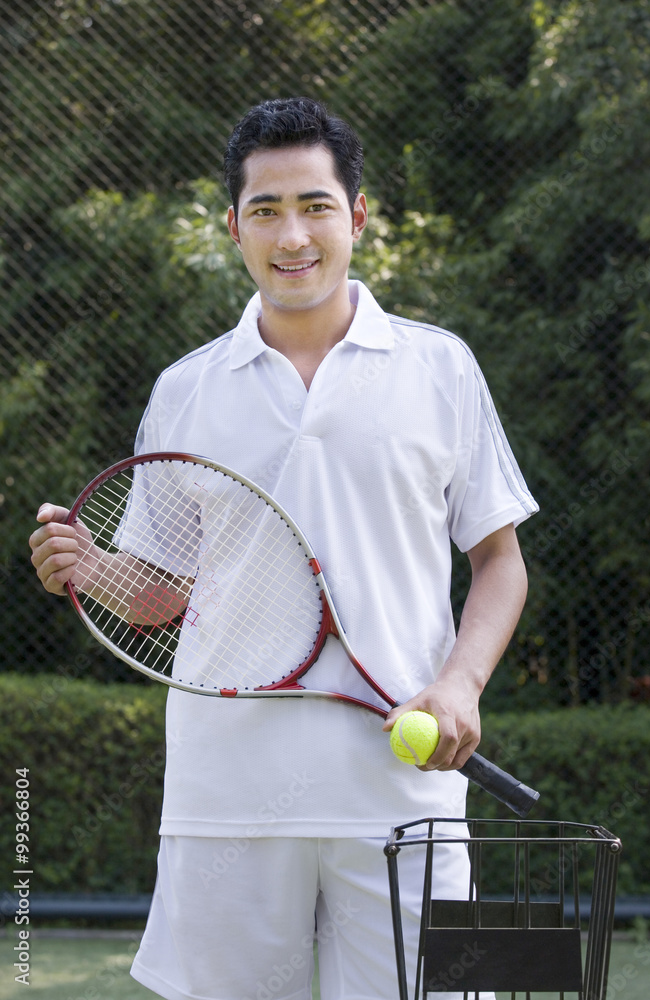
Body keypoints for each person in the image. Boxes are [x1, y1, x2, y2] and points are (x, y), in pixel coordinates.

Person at [29, 97, 538, 1000]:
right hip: (224, 794)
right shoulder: (185, 389)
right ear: (233, 226)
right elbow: (161, 597)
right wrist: (87, 567)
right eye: (265, 210)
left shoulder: (441, 367)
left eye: (315, 205)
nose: (291, 234)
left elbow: (498, 560)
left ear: (358, 216)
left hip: (407, 794)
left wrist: (458, 683)